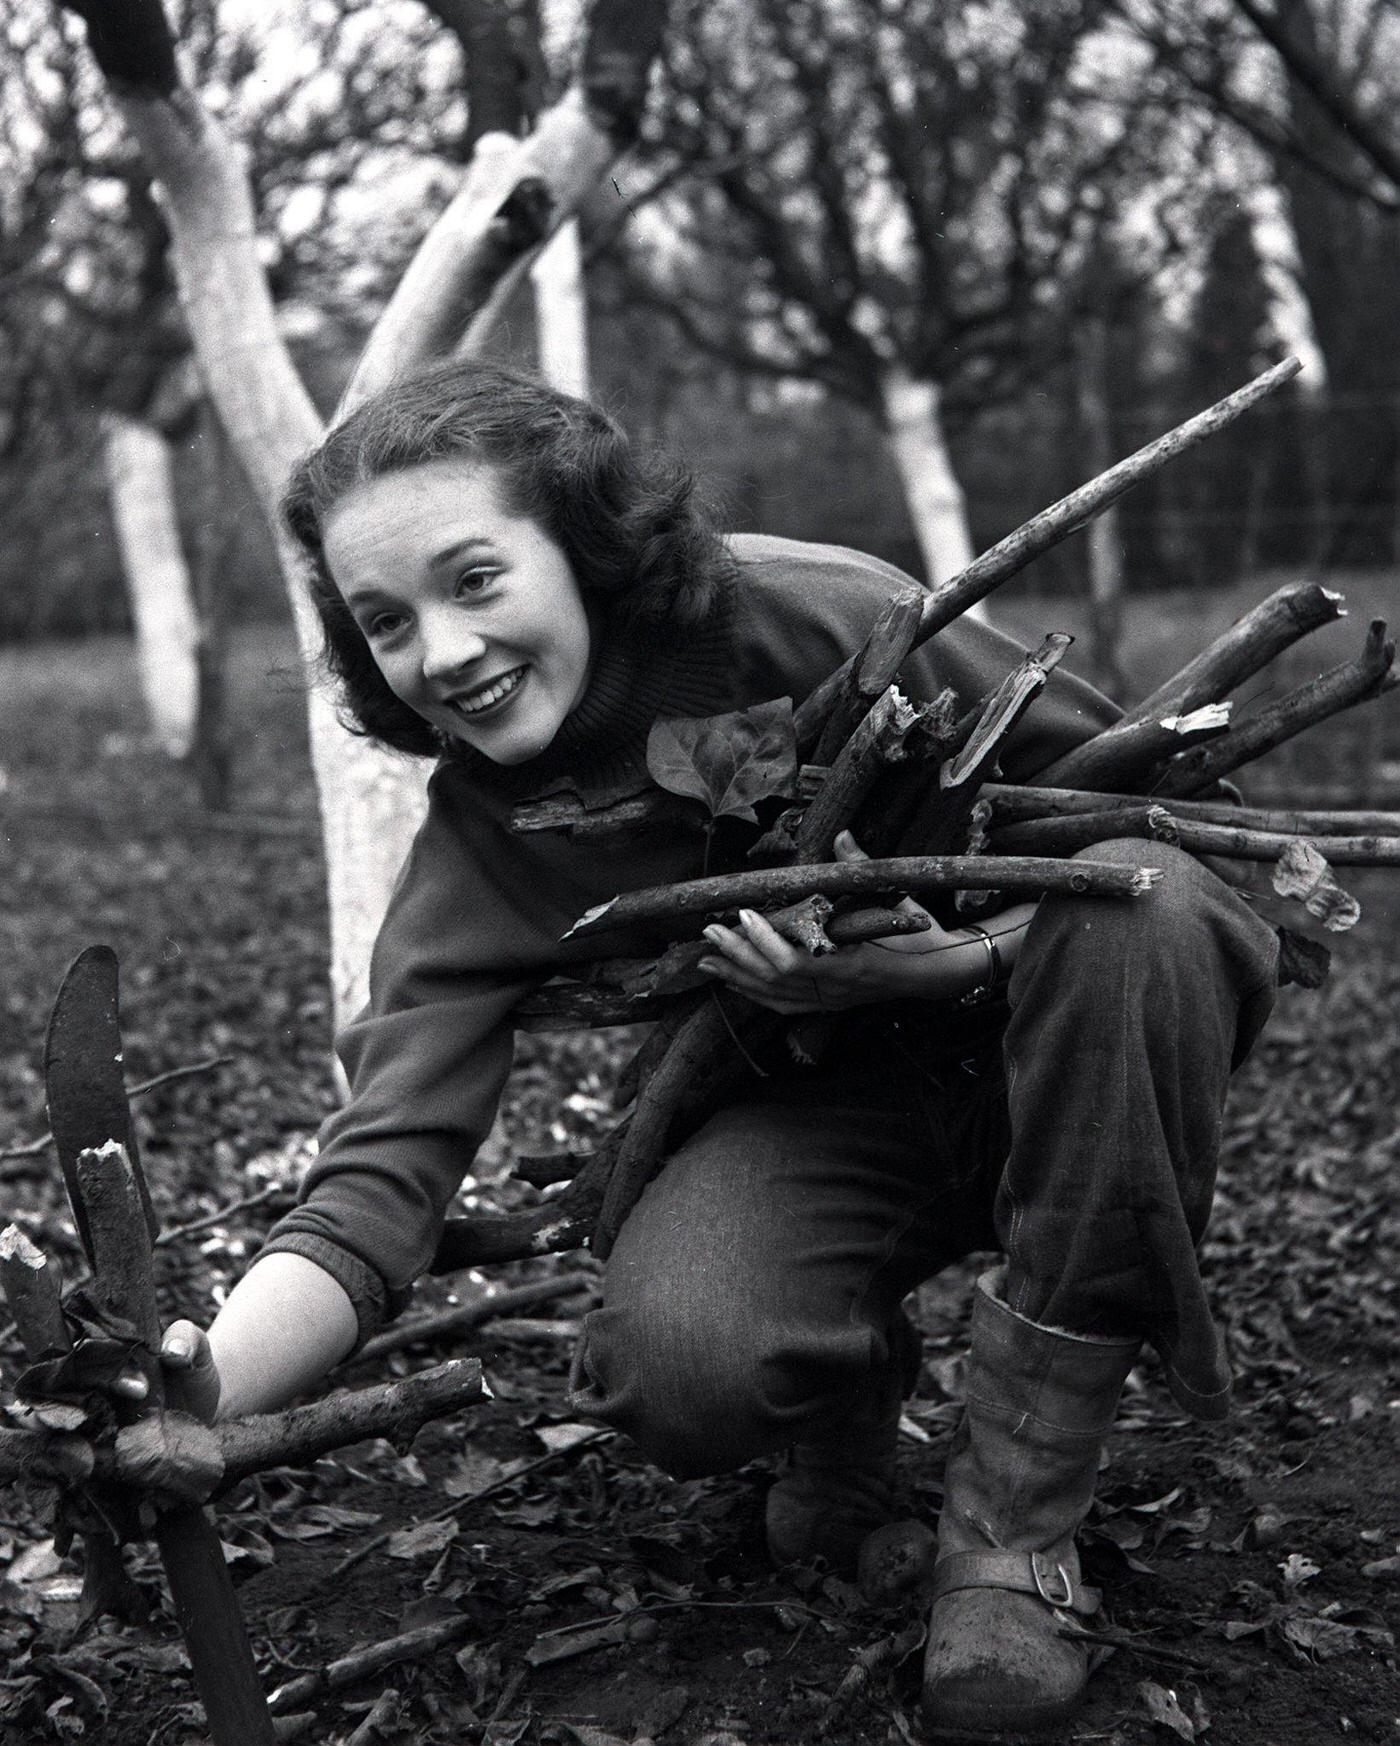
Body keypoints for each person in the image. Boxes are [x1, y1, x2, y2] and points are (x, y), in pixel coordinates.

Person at [137, 360, 1279, 1737]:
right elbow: (374, 1188)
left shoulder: (823, 620)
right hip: (824, 1114)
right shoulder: (490, 841)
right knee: (676, 1362)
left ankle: (1013, 1531)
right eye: (385, 621)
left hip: (1085, 1052)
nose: (440, 650)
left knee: (1140, 916)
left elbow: (1198, 836)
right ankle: (839, 1394)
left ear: (585, 547)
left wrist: (960, 954)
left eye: (476, 577)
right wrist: (203, 1391)